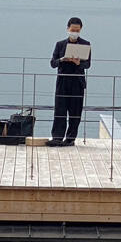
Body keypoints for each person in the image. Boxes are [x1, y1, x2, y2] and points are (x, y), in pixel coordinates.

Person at [47, 17, 91, 147]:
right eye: (72, 30)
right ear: (67, 29)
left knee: (75, 111)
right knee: (60, 110)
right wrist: (62, 59)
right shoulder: (60, 44)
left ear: (81, 29)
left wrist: (79, 63)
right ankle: (57, 137)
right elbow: (52, 63)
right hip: (63, 80)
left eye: (77, 30)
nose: (75, 32)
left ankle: (70, 138)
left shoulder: (86, 44)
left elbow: (88, 64)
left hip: (77, 81)